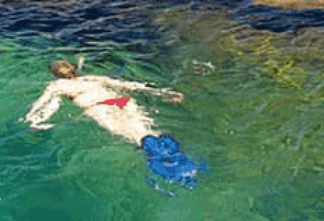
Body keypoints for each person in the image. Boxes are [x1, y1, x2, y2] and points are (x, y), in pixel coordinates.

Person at [24, 58, 203, 186]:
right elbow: (129, 85)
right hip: (120, 100)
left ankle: (174, 172)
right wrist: (162, 93)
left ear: (55, 75)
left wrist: (34, 119)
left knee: (136, 137)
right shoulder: (92, 78)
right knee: (145, 130)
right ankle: (176, 155)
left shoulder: (57, 86)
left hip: (98, 107)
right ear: (73, 70)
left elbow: (46, 104)